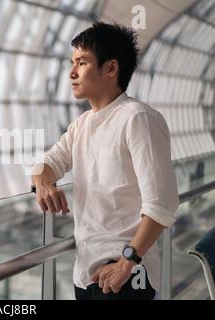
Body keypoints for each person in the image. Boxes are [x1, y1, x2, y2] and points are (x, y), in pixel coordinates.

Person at [31, 22, 179, 300]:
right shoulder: (82, 124)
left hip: (125, 275)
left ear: (110, 69)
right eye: (72, 63)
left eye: (82, 62)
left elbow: (162, 203)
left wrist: (127, 262)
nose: (72, 72)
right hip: (86, 272)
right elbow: (45, 164)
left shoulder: (138, 118)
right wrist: (43, 185)